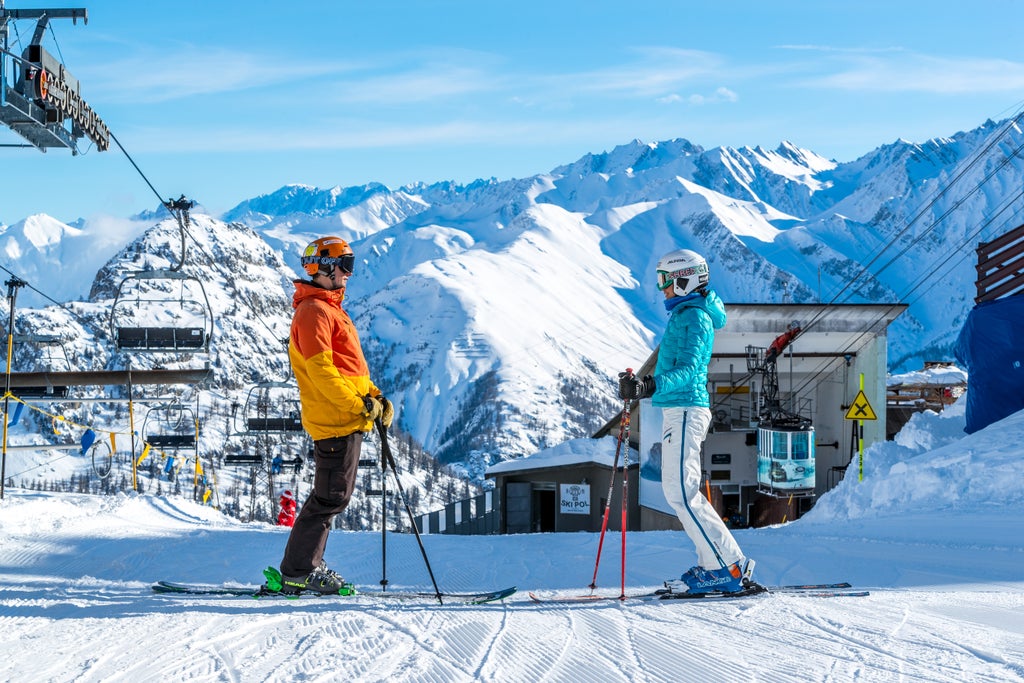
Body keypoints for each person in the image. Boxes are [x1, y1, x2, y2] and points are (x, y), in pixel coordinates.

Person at [618, 248, 754, 594]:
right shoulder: (685, 314)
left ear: (684, 280)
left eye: (665, 281)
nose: (662, 288)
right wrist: (640, 386)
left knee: (682, 492)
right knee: (678, 491)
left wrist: (648, 386)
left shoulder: (695, 317)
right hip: (677, 410)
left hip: (686, 410)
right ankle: (717, 563)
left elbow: (690, 369)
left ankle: (726, 567)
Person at [274, 235, 394, 594]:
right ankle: (299, 570)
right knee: (329, 498)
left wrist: (375, 396)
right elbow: (322, 373)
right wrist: (359, 406)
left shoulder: (329, 309)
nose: (349, 273)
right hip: (335, 421)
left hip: (346, 419)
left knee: (332, 497)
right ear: (325, 267)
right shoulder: (313, 312)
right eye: (345, 265)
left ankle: (305, 565)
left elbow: (349, 369)